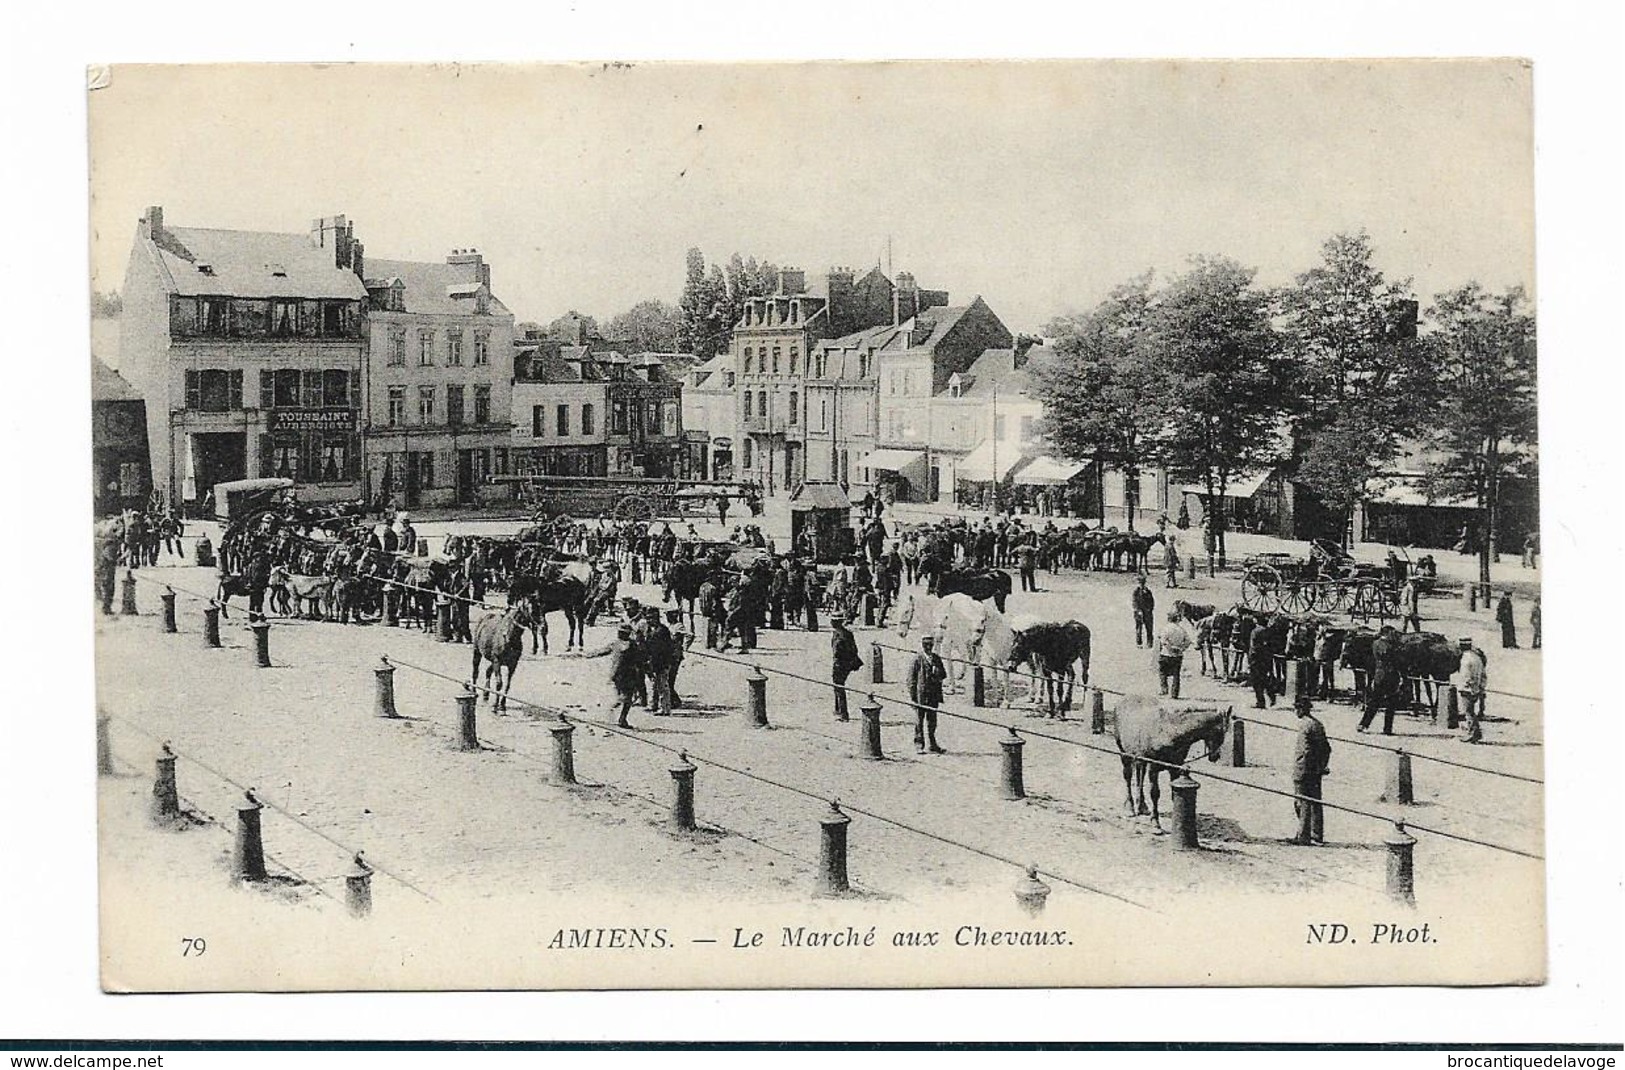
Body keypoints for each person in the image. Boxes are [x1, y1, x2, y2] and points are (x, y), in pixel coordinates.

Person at [1290, 694, 1332, 845]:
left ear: (1302, 709)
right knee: (1314, 802)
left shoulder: (1306, 726)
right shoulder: (1317, 724)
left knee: (1301, 802)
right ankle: (1316, 835)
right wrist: (1322, 766)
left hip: (1304, 769)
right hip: (1315, 770)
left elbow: (1305, 752)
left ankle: (1303, 836)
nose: (1295, 712)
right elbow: (1326, 748)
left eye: (1297, 708)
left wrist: (1303, 768)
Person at [1358, 625, 1402, 735]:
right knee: (1384, 703)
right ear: (1386, 633)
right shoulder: (1385, 645)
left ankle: (1367, 724)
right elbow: (1389, 656)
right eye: (1392, 633)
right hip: (1388, 676)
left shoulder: (1378, 643)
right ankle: (1383, 728)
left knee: (1379, 703)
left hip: (1381, 676)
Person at [908, 635, 947, 754]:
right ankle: (919, 744)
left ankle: (932, 744)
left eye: (931, 645)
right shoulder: (917, 659)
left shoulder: (936, 659)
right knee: (919, 721)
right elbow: (911, 680)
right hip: (921, 695)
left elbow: (944, 675)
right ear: (922, 646)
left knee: (932, 721)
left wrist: (938, 671)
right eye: (926, 645)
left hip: (934, 695)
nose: (928, 648)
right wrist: (913, 697)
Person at [607, 625, 643, 729]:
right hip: (629, 675)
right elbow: (639, 659)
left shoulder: (616, 644)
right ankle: (621, 718)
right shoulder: (633, 645)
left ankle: (616, 712)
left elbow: (603, 650)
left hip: (617, 675)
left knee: (622, 696)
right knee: (627, 698)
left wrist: (587, 655)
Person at [1454, 637, 1488, 744]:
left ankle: (1472, 733)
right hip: (1476, 688)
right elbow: (1483, 675)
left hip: (1467, 689)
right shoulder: (1477, 657)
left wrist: (1465, 687)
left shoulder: (1465, 659)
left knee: (1468, 712)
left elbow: (1466, 676)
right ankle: (1476, 732)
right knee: (1471, 711)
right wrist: (1480, 688)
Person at [830, 614, 863, 722]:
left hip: (840, 664)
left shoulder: (838, 635)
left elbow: (837, 652)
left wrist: (838, 662)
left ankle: (843, 713)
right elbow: (854, 649)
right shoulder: (848, 633)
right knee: (838, 686)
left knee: (838, 687)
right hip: (848, 664)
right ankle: (838, 709)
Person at [1155, 611, 1192, 699]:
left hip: (1166, 653)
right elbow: (1188, 641)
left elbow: (1163, 641)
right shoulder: (1181, 630)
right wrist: (1181, 648)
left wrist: (1170, 648)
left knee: (1162, 672)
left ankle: (1164, 689)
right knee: (1176, 674)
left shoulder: (1165, 628)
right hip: (1178, 655)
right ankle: (1174, 693)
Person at [1132, 575, 1156, 648]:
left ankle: (1149, 643)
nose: (1141, 584)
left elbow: (1152, 601)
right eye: (1140, 583)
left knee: (1149, 628)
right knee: (1139, 628)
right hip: (1139, 613)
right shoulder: (1136, 592)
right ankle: (1139, 643)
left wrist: (1150, 609)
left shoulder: (1148, 591)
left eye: (1142, 583)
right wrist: (1138, 610)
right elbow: (1134, 602)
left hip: (1147, 612)